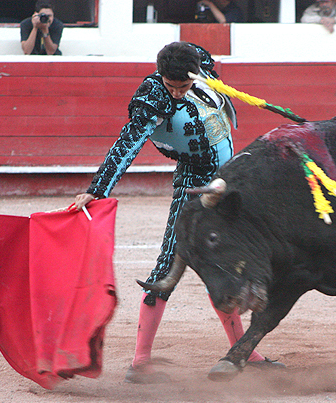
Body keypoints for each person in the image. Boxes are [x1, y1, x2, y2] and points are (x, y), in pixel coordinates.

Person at [70, 42, 284, 384]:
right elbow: (128, 143)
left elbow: (201, 54)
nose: (178, 93)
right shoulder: (153, 96)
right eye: (172, 87)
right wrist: (97, 190)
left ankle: (246, 351)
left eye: (183, 86)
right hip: (195, 187)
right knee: (168, 266)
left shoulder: (202, 69)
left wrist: (195, 66)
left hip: (229, 183)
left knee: (227, 264)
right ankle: (140, 361)